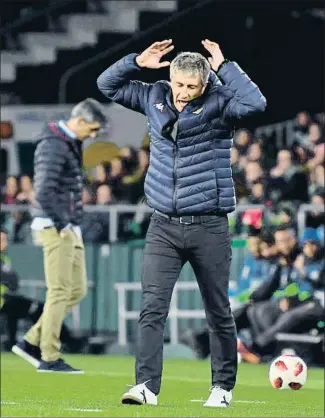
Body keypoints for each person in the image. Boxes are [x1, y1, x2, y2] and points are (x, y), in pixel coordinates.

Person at [97, 39, 266, 407]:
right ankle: (145, 387)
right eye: (179, 84)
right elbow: (107, 85)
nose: (184, 93)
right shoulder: (153, 94)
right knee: (152, 307)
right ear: (170, 77)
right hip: (163, 226)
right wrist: (136, 62)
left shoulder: (222, 103)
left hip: (210, 225)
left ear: (204, 83)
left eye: (192, 86)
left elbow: (256, 103)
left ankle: (222, 388)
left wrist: (224, 66)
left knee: (218, 310)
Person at [12, 98, 108, 373]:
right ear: (79, 121)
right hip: (56, 226)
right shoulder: (54, 144)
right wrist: (62, 223)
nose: (92, 136)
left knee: (76, 289)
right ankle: (49, 356)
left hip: (67, 225)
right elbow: (43, 190)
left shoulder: (65, 141)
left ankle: (31, 341)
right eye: (91, 130)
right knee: (59, 291)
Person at [0, 227, 87, 353]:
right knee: (39, 309)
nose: (5, 243)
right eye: (2, 240)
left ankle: (14, 343)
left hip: (6, 299)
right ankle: (66, 341)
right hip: (4, 300)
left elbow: (13, 282)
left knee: (23, 309)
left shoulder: (4, 260)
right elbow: (10, 280)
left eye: (5, 240)